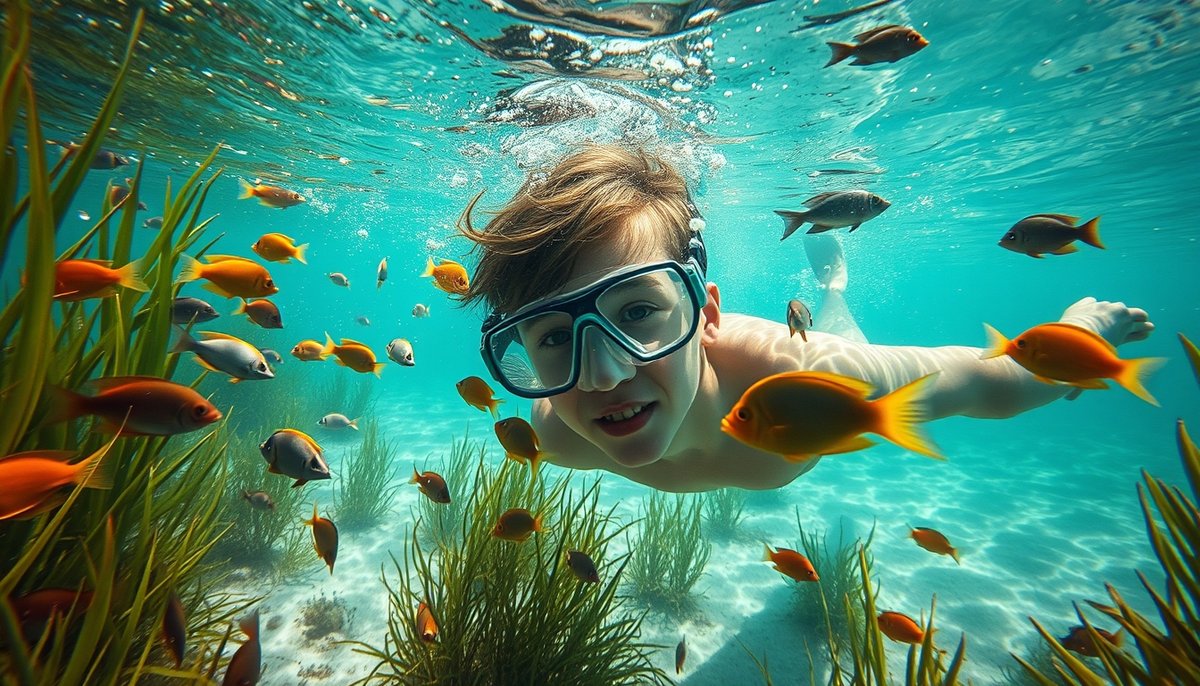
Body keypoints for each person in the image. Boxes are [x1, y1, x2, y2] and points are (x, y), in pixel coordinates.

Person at [457, 145, 1155, 493]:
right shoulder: (552, 434)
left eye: (638, 311)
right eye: (554, 336)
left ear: (706, 313)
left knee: (842, 330)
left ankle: (833, 281)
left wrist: (1088, 334)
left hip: (807, 365)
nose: (604, 374)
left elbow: (995, 384)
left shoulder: (806, 373)